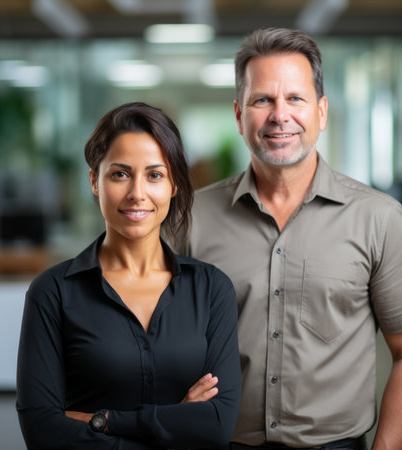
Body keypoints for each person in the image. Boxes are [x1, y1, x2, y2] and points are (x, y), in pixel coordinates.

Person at [177, 28, 402, 450]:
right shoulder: (192, 218)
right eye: (262, 99)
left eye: (295, 99)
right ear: (238, 115)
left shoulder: (377, 218)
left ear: (321, 111)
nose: (279, 115)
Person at [16, 102, 241, 450]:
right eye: (120, 174)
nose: (137, 193)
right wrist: (173, 422)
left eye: (154, 175)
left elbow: (215, 427)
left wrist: (104, 420)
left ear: (174, 186)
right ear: (94, 180)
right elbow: (42, 430)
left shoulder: (211, 289)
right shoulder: (53, 292)